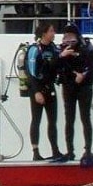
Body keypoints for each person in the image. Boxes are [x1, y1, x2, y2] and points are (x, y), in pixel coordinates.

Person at [56, 24, 93, 165]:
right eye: (66, 38)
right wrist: (62, 56)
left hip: (85, 87)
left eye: (72, 37)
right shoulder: (61, 50)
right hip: (69, 87)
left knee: (85, 118)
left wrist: (83, 74)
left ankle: (88, 149)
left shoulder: (86, 47)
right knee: (69, 119)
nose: (69, 41)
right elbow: (56, 67)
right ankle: (70, 151)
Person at [27, 21, 64, 161]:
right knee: (36, 119)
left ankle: (55, 150)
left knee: (52, 121)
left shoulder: (54, 49)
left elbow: (57, 65)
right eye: (51, 31)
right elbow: (31, 72)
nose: (54, 34)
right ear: (44, 33)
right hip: (37, 88)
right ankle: (35, 151)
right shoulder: (35, 49)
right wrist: (36, 91)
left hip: (50, 88)